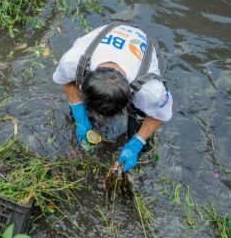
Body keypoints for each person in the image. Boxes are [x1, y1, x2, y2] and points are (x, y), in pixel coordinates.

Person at [53, 23, 173, 173]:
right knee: (77, 111)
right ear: (84, 84)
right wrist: (80, 120)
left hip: (144, 45)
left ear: (130, 93)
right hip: (111, 30)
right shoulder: (73, 62)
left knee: (141, 128)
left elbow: (159, 115)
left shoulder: (151, 91)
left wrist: (137, 142)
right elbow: (67, 82)